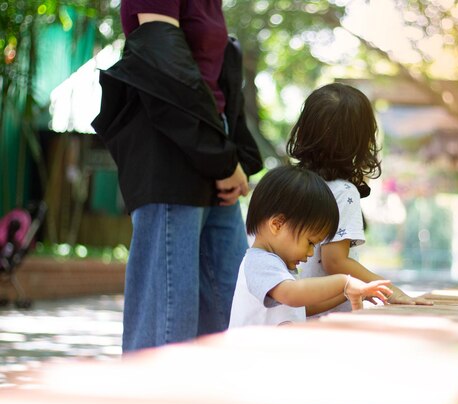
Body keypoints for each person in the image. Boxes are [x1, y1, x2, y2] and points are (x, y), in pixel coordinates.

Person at [91, 1, 263, 352]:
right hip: (171, 146)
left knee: (232, 308)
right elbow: (162, 65)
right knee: (171, 319)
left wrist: (230, 155)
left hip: (213, 142)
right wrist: (222, 158)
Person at [286, 83, 431, 317]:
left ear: (303, 131)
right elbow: (335, 261)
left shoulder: (289, 182)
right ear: (360, 140)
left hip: (293, 311)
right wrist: (390, 290)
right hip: (326, 317)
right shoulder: (343, 191)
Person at [229, 166, 393, 327]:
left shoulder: (279, 266)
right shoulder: (260, 262)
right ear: (277, 225)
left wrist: (348, 293)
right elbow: (292, 294)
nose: (311, 252)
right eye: (310, 242)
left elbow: (302, 307)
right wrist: (344, 282)